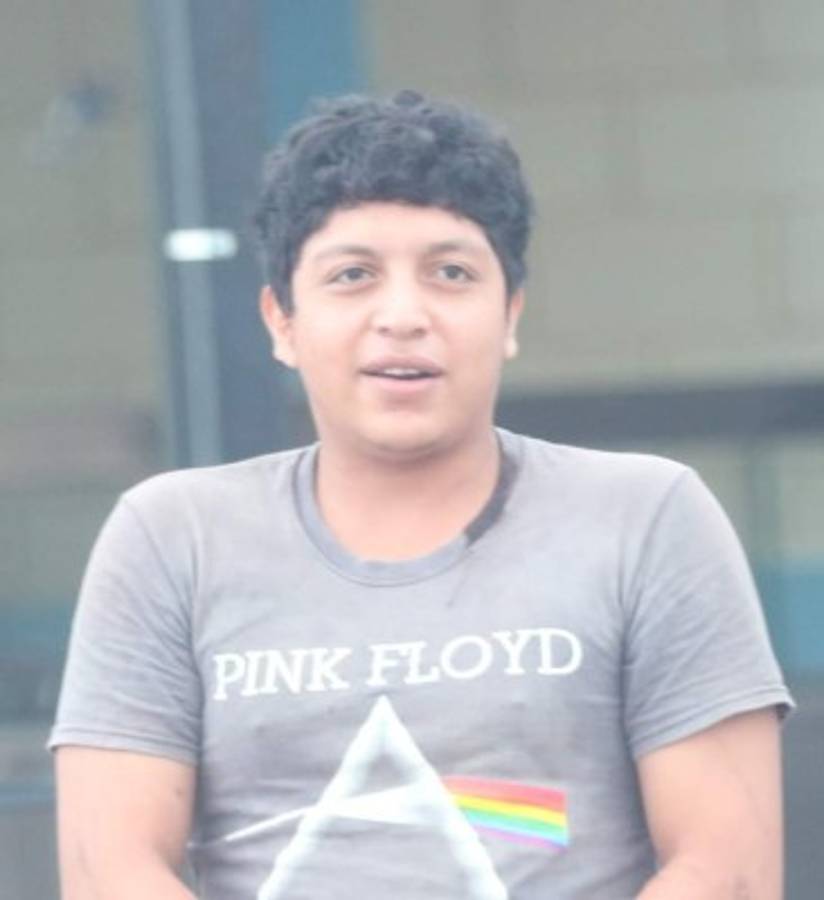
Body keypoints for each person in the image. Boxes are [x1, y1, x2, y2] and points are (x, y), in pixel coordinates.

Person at [50, 90, 792, 899]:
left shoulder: (644, 519)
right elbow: (109, 870)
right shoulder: (173, 538)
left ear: (509, 313)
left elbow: (729, 870)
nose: (402, 315)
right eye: (352, 275)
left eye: (451, 273)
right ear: (282, 322)